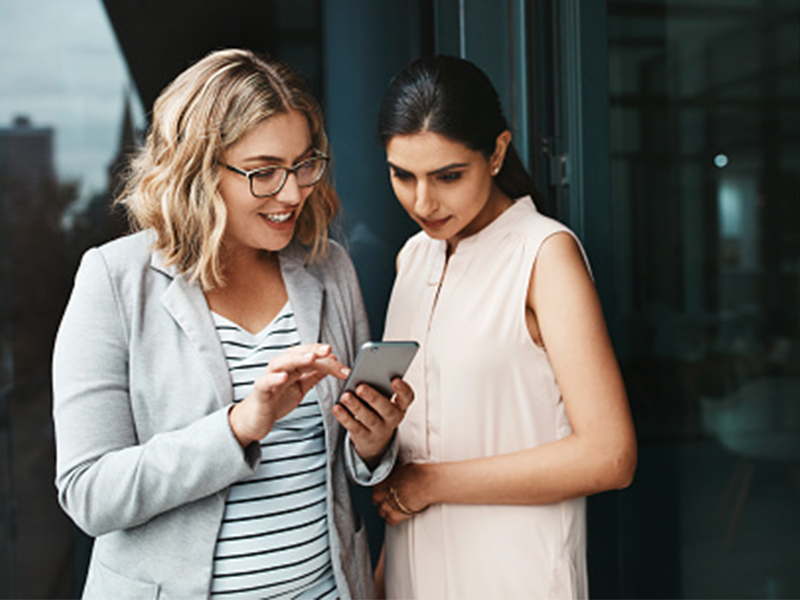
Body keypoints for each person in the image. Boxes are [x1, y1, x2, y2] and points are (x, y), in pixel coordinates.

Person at [52, 48, 413, 599]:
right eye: (263, 173)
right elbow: (89, 494)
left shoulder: (329, 267)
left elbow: (343, 467)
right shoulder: (114, 280)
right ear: (197, 170)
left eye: (302, 164)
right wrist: (239, 426)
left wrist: (372, 444)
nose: (291, 193)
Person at [372, 55, 637, 599]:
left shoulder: (544, 255)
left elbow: (610, 455)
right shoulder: (412, 259)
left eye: (448, 176)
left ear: (495, 152)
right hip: (411, 578)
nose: (423, 202)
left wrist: (430, 483)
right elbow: (418, 447)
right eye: (404, 175)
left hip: (515, 578)